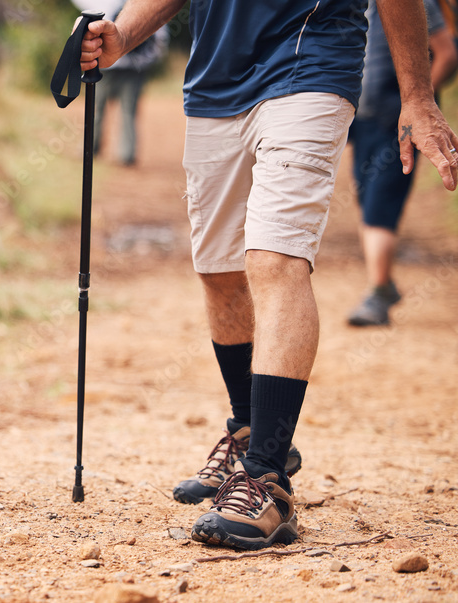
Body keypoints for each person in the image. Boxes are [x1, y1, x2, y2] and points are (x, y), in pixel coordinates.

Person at [80, 0, 458, 550]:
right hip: (215, 78)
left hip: (311, 63)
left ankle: (266, 479)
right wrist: (124, 34)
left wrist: (418, 95)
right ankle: (248, 430)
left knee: (275, 258)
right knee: (219, 271)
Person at [347, 1, 458, 326]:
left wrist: (415, 107)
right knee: (366, 199)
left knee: (380, 204)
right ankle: (383, 284)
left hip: (397, 122)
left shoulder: (417, 4)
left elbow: (446, 52)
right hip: (365, 118)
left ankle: (378, 293)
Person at [93, 10, 169, 166]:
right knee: (127, 111)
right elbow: (160, 42)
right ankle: (126, 153)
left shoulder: (104, 7)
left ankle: (92, 149)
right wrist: (141, 61)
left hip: (107, 69)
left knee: (98, 109)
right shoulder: (148, 9)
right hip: (130, 70)